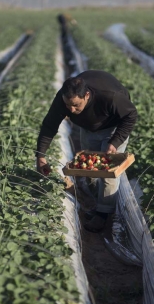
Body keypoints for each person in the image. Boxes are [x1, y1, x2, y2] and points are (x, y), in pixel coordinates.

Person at [36, 70, 137, 232]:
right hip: (88, 128)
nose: (72, 110)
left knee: (107, 171)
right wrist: (40, 156)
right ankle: (96, 203)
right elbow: (49, 125)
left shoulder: (110, 96)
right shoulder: (63, 99)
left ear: (87, 95)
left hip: (113, 127)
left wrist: (115, 141)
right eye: (68, 105)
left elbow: (131, 115)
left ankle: (103, 215)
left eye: (76, 105)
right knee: (89, 167)